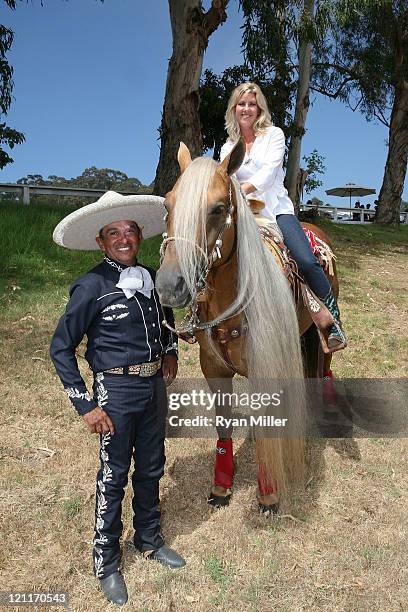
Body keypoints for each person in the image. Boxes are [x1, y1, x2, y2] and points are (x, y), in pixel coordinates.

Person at [50, 191, 185, 607]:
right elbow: (61, 348)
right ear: (101, 241)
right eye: (114, 232)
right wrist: (86, 405)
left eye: (130, 230)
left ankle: (148, 539)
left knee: (151, 466)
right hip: (115, 390)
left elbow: (166, 321)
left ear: (139, 235)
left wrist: (171, 351)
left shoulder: (149, 276)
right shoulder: (91, 286)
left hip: (152, 387)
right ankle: (106, 561)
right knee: (114, 474)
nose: (124, 238)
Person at [220, 82, 346, 351]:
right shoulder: (227, 146)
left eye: (252, 104)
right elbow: (223, 179)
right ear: (234, 108)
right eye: (241, 104)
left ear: (259, 108)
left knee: (305, 259)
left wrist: (239, 189)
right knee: (212, 254)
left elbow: (266, 176)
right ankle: (201, 319)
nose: (246, 108)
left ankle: (332, 323)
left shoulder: (274, 135)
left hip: (275, 211)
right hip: (242, 215)